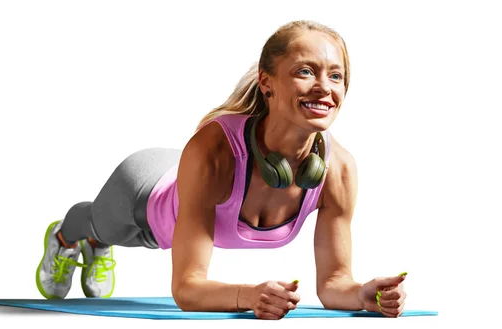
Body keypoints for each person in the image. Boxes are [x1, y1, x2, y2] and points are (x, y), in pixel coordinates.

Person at [35, 20, 408, 319]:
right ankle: (67, 241)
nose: (324, 88)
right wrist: (248, 295)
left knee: (144, 240)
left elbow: (333, 282)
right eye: (306, 72)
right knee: (104, 227)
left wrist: (362, 293)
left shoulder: (338, 171)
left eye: (336, 76)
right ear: (267, 82)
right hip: (143, 190)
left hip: (184, 196)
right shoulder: (215, 151)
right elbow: (187, 288)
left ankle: (98, 245)